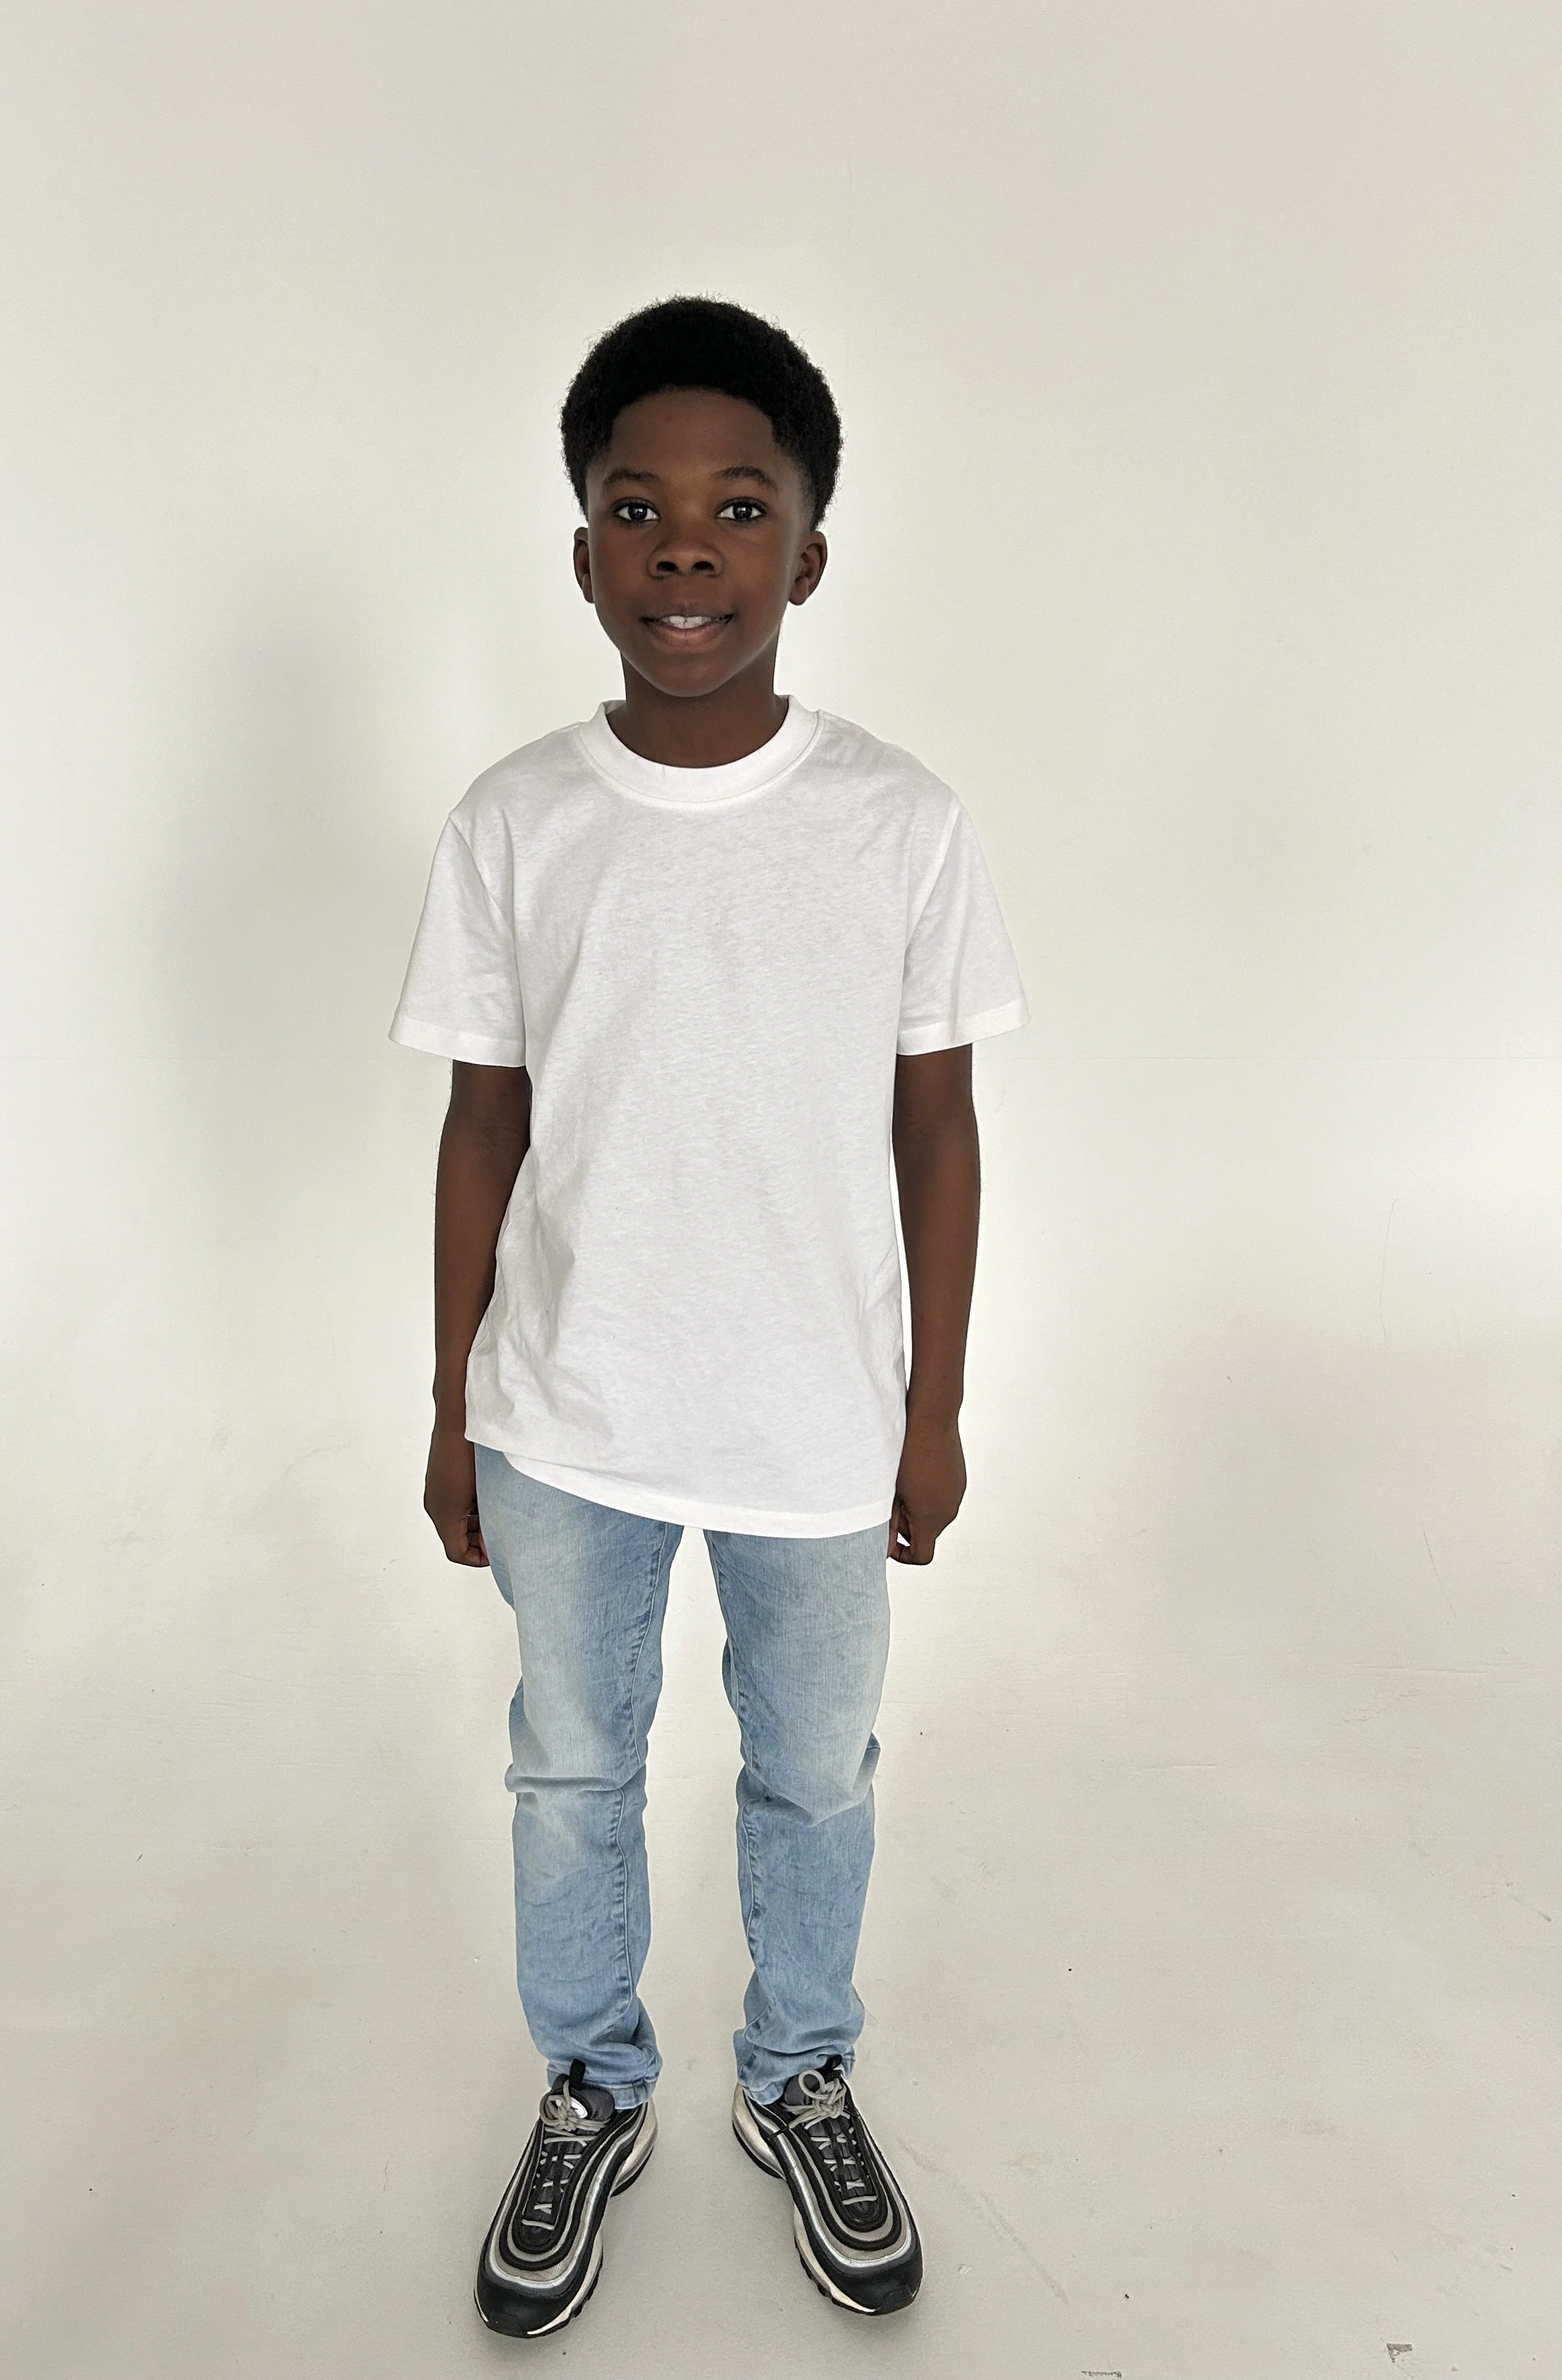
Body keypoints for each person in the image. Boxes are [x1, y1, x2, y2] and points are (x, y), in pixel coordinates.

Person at [389, 296, 1027, 2337]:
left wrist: (926, 1408)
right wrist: (447, 1400)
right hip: (565, 1410)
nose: (685, 547)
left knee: (814, 1769)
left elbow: (939, 1131)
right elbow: (479, 1129)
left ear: (806, 555)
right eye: (634, 508)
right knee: (570, 1767)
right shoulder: (515, 820)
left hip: (815, 1426)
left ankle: (796, 2072)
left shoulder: (898, 820)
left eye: (737, 508)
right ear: (580, 552)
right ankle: (594, 2074)